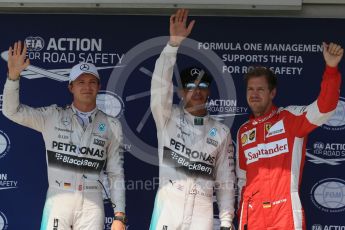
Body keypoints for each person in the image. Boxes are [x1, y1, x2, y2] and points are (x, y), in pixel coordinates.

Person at [2, 41, 127, 230]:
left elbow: (115, 172)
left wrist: (120, 216)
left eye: (92, 81)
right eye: (81, 82)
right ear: (71, 87)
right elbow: (11, 111)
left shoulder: (112, 124)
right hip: (58, 200)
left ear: (99, 86)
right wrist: (13, 77)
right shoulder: (52, 116)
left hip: (92, 204)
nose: (87, 87)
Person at [236, 42, 343, 230]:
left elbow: (324, 108)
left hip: (284, 211)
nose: (254, 94)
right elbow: (243, 179)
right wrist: (241, 213)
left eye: (260, 89)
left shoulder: (290, 119)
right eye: (250, 89)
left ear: (272, 93)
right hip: (252, 214)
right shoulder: (243, 131)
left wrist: (331, 70)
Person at [150, 9, 235, 230]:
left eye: (203, 86)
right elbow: (159, 88)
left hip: (202, 210)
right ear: (180, 92)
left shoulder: (221, 132)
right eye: (190, 86)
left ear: (209, 93)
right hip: (168, 206)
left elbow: (226, 180)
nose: (197, 92)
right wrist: (172, 46)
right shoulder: (167, 117)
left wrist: (226, 222)